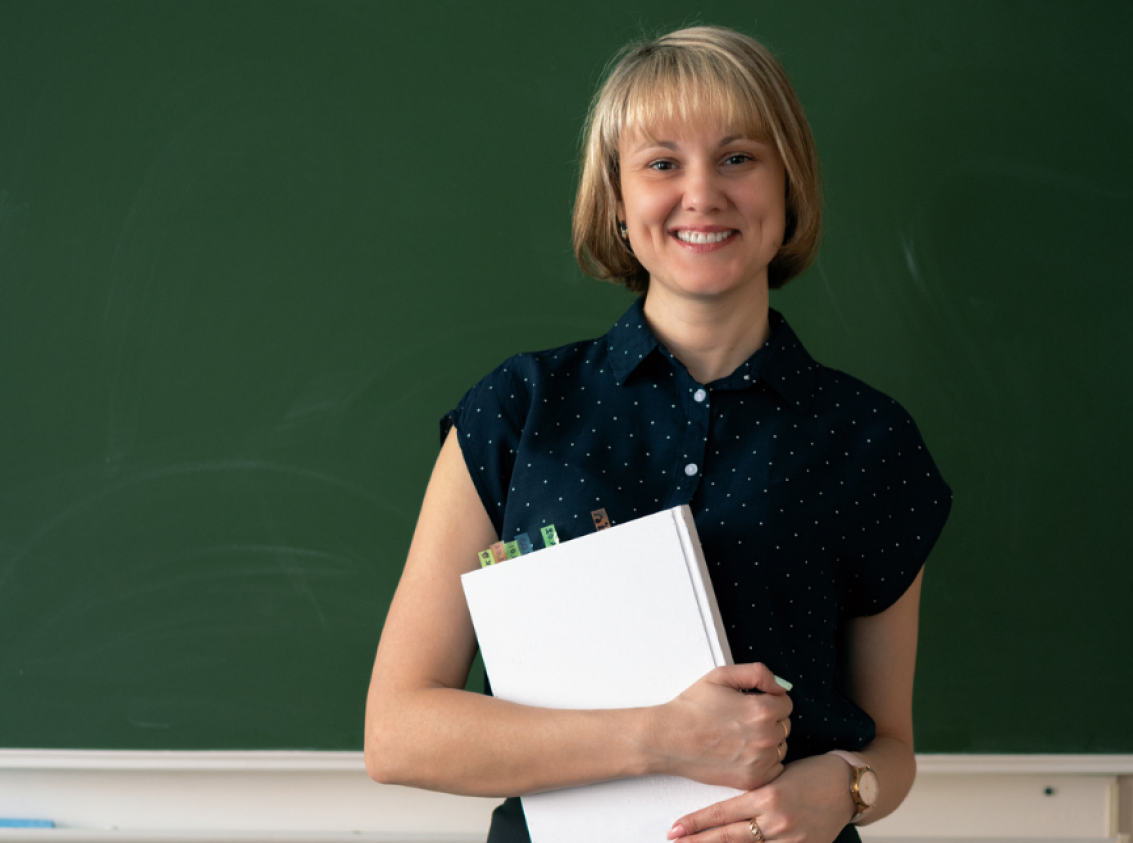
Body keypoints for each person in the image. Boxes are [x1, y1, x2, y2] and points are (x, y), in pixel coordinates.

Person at [365, 25, 951, 843]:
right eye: (662, 162)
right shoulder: (514, 410)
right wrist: (663, 737)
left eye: (740, 157)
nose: (703, 194)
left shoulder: (869, 440)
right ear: (617, 198)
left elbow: (892, 746)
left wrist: (846, 788)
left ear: (789, 187)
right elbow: (397, 732)